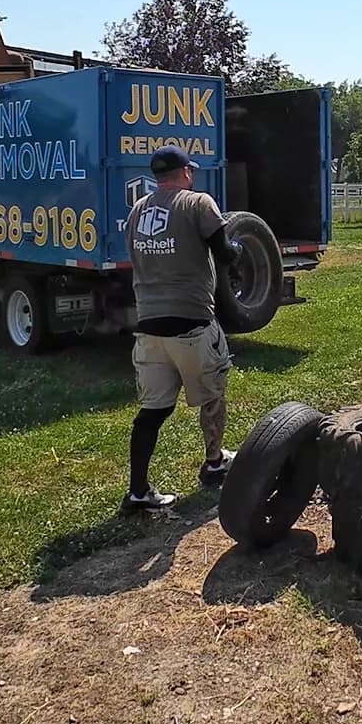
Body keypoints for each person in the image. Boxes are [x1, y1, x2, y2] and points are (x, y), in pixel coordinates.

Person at [120, 144, 236, 513]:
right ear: (185, 172)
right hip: (192, 322)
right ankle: (214, 462)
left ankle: (138, 491)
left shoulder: (138, 211)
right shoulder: (198, 203)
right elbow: (224, 251)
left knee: (152, 411)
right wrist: (239, 249)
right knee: (213, 394)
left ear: (157, 177)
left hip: (149, 327)